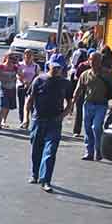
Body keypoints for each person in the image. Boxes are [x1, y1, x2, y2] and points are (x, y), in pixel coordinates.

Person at [26, 55, 73, 192]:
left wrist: (62, 116)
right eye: (55, 66)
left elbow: (70, 103)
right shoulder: (39, 80)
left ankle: (46, 180)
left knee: (50, 151)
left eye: (59, 67)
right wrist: (26, 118)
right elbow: (30, 100)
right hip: (38, 120)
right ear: (49, 65)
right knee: (36, 149)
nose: (57, 69)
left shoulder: (65, 83)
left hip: (54, 121)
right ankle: (35, 174)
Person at [73, 51, 112, 161]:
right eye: (92, 60)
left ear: (100, 61)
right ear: (89, 60)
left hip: (101, 105)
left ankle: (98, 151)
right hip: (88, 104)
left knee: (96, 127)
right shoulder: (85, 74)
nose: (94, 62)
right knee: (88, 129)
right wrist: (72, 103)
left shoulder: (107, 74)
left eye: (96, 60)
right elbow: (79, 89)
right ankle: (89, 152)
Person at [0, 51, 19, 129]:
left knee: (8, 106)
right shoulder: (1, 66)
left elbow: (19, 75)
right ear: (6, 58)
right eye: (9, 57)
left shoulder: (15, 67)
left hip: (12, 88)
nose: (11, 59)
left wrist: (17, 63)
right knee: (3, 104)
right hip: (3, 87)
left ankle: (3, 121)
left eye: (12, 58)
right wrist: (7, 78)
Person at [16, 49, 39, 129]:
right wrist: (24, 82)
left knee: (32, 105)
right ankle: (23, 121)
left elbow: (37, 76)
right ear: (24, 55)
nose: (28, 56)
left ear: (32, 56)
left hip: (32, 87)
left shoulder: (36, 66)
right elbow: (18, 75)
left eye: (30, 55)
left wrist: (31, 84)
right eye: (26, 54)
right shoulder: (20, 64)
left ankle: (33, 122)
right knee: (22, 104)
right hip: (22, 86)